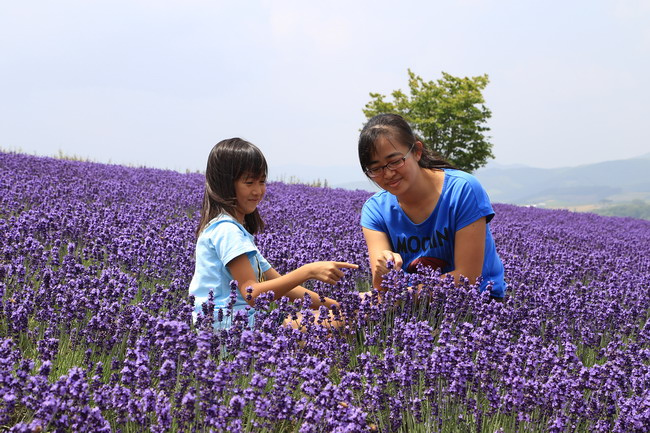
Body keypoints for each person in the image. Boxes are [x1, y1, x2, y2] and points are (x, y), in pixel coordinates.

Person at [189, 138, 358, 329]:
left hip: (237, 322)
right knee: (342, 323)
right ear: (225, 184)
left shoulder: (232, 230)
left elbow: (284, 287)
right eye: (249, 182)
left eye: (262, 181)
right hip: (231, 328)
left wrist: (336, 305)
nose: (258, 190)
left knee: (337, 315)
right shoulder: (227, 231)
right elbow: (252, 294)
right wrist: (308, 271)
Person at [358, 114, 506, 299]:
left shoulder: (462, 190)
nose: (387, 174)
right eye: (376, 168)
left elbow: (467, 277)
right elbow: (381, 286)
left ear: (417, 151)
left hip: (474, 303)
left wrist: (404, 294)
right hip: (407, 304)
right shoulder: (375, 210)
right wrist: (382, 270)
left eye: (395, 161)